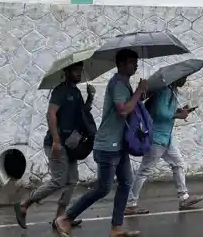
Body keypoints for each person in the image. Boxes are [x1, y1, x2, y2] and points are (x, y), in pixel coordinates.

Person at [54, 49, 148, 237]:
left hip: (118, 144)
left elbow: (127, 108)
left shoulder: (123, 84)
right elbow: (122, 111)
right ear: (120, 64)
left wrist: (138, 95)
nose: (135, 65)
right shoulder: (118, 84)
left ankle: (116, 227)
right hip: (108, 146)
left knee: (126, 182)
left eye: (136, 61)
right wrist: (138, 91)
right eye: (131, 62)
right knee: (103, 188)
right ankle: (65, 218)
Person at [13, 61, 96, 229]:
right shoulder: (60, 91)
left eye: (80, 70)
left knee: (72, 180)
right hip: (57, 143)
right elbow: (51, 114)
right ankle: (24, 204)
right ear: (66, 71)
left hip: (71, 144)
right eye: (75, 70)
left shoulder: (76, 92)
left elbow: (82, 114)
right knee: (59, 180)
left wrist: (90, 97)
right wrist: (57, 141)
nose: (79, 73)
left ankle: (60, 218)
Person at [125, 76, 203, 214]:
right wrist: (179, 115)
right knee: (144, 171)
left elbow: (166, 110)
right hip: (157, 137)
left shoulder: (172, 90)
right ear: (176, 78)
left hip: (167, 137)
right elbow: (159, 113)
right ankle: (130, 203)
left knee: (178, 164)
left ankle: (184, 197)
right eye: (183, 78)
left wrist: (180, 110)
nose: (185, 80)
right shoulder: (165, 91)